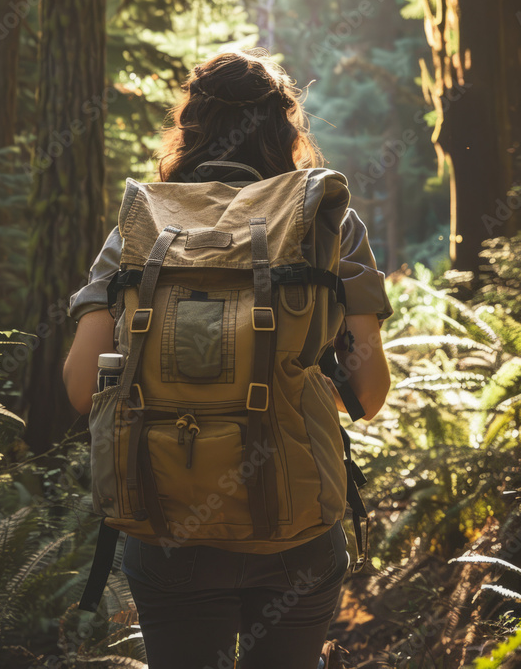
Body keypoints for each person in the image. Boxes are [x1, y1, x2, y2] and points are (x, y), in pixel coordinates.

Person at [63, 48, 392, 669]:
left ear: (188, 124)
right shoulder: (326, 221)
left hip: (166, 523)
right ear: (286, 128)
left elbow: (83, 388)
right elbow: (370, 394)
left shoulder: (140, 226)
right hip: (296, 524)